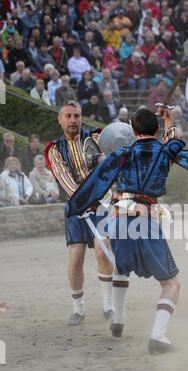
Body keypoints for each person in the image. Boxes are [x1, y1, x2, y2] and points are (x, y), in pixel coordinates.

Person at [67, 107, 188, 353]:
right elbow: (175, 140)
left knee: (121, 268)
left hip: (118, 217)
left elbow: (97, 181)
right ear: (156, 129)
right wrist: (170, 120)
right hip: (145, 217)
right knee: (171, 284)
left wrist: (80, 205)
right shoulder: (166, 151)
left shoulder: (121, 154)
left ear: (133, 132)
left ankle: (118, 320)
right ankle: (157, 337)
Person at [44, 100, 114, 326]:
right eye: (68, 116)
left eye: (76, 116)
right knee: (75, 259)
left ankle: (108, 305)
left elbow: (109, 163)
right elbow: (63, 178)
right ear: (60, 119)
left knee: (103, 251)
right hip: (75, 208)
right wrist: (81, 200)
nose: (73, 120)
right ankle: (78, 308)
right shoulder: (55, 150)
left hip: (101, 204)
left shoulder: (94, 139)